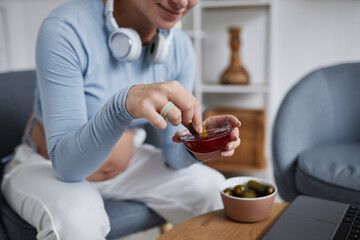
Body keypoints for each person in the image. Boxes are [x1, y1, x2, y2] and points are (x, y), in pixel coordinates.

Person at [1, 0, 241, 239]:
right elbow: (67, 169)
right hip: (48, 166)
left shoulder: (179, 48)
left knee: (212, 188)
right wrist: (121, 106)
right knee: (77, 220)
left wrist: (197, 146)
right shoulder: (65, 28)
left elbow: (173, 155)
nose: (181, 2)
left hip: (128, 167)